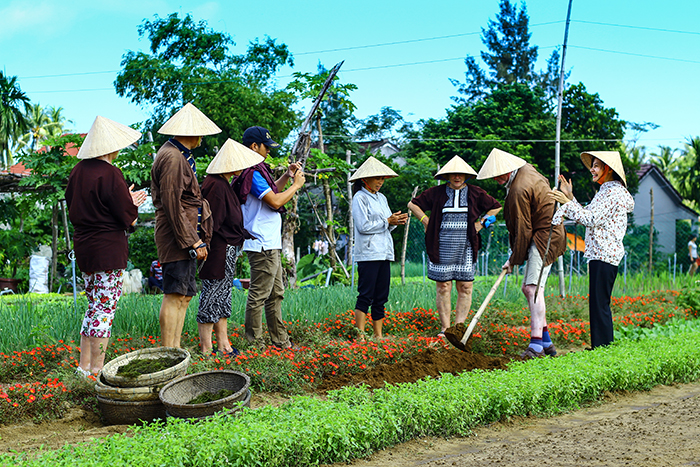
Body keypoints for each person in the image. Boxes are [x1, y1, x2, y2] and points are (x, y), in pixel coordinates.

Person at [65, 116, 147, 376]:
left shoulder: (77, 172)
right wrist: (132, 202)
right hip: (107, 249)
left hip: (85, 247)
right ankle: (97, 369)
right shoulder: (110, 173)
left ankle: (84, 367)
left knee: (93, 307)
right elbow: (127, 216)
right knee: (104, 309)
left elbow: (83, 206)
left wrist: (126, 199)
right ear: (111, 147)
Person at [477, 148, 566, 359]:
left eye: (499, 174)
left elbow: (523, 228)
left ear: (509, 169)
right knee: (535, 288)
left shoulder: (519, 188)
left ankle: (536, 345)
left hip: (545, 235)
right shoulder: (525, 170)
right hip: (546, 232)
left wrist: (514, 259)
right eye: (493, 175)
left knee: (531, 288)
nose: (497, 179)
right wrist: (514, 258)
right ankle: (546, 343)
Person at [408, 156, 502, 337]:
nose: (457, 177)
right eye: (453, 174)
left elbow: (495, 207)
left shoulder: (476, 192)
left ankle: (458, 329)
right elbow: (412, 204)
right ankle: (445, 329)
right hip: (440, 244)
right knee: (443, 286)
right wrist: (425, 220)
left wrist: (482, 223)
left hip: (466, 244)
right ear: (447, 175)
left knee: (465, 285)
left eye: (461, 174)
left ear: (466, 175)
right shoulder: (436, 192)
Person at [550, 151, 634, 349]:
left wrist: (567, 202)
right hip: (602, 253)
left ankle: (602, 348)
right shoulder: (606, 191)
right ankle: (601, 347)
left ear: (608, 169)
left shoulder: (612, 193)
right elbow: (588, 215)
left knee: (600, 305)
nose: (592, 169)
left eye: (596, 166)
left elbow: (591, 219)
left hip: (604, 253)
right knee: (598, 304)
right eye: (592, 165)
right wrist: (570, 198)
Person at [151, 103, 218, 348]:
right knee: (175, 294)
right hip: (177, 236)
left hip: (188, 234)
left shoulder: (181, 155)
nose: (202, 137)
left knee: (185, 295)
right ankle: (168, 351)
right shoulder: (171, 156)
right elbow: (171, 203)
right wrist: (193, 240)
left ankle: (176, 348)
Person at [234, 126, 305, 349]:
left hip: (269, 242)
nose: (268, 152)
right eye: (266, 147)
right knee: (260, 294)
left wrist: (287, 176)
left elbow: (272, 191)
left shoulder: (256, 171)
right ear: (254, 146)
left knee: (276, 293)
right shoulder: (252, 173)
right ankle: (254, 344)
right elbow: (275, 201)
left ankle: (280, 341)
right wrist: (296, 185)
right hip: (261, 242)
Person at [197, 138, 263, 357]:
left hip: (227, 248)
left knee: (223, 295)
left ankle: (223, 344)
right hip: (218, 249)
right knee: (212, 294)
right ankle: (207, 348)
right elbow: (211, 223)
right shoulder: (215, 185)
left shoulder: (223, 183)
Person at [350, 156, 408, 340]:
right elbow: (363, 226)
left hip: (384, 252)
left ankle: (378, 335)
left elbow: (386, 224)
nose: (380, 182)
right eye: (377, 178)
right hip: (368, 253)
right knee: (366, 294)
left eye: (382, 179)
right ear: (365, 179)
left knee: (381, 296)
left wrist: (395, 221)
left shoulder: (381, 198)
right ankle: (360, 335)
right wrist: (386, 221)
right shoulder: (359, 198)